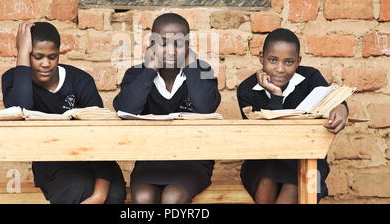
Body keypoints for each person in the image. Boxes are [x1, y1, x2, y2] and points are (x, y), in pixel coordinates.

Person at [1, 21, 126, 204]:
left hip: (96, 161)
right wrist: (21, 54)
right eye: (37, 56)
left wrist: (99, 194)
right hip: (52, 165)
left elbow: (100, 135)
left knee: (113, 192)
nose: (46, 63)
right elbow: (21, 109)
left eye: (52, 56)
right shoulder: (13, 79)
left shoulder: (80, 81)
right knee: (78, 186)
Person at [113, 13, 221, 204]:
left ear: (188, 45)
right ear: (152, 44)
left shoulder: (202, 71)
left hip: (192, 162)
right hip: (151, 161)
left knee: (172, 197)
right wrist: (150, 68)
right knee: (142, 196)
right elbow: (126, 108)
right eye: (163, 44)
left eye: (178, 44)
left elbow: (206, 107)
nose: (171, 51)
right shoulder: (137, 74)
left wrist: (191, 65)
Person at [236, 28, 348, 204]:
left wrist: (341, 108)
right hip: (264, 158)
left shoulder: (310, 77)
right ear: (261, 58)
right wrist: (276, 96)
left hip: (306, 157)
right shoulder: (247, 90)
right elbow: (264, 136)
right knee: (266, 180)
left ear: (298, 62)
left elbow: (332, 99)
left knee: (297, 184)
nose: (280, 69)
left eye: (289, 62)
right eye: (273, 60)